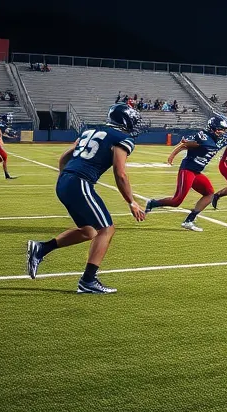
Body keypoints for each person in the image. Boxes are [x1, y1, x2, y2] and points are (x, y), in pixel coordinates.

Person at [25, 103, 147, 293]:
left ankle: (41, 249)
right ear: (126, 120)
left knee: (89, 231)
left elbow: (64, 158)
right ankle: (88, 281)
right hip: (80, 182)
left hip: (66, 181)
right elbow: (120, 172)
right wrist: (131, 201)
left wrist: (65, 179)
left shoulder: (90, 130)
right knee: (106, 230)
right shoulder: (122, 138)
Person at [145, 115, 227, 231]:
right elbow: (184, 145)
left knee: (209, 194)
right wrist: (171, 156)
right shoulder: (203, 138)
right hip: (188, 170)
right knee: (176, 201)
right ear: (213, 128)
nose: (222, 132)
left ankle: (189, 220)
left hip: (196, 172)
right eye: (221, 129)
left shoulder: (217, 139)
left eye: (224, 129)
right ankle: (152, 203)